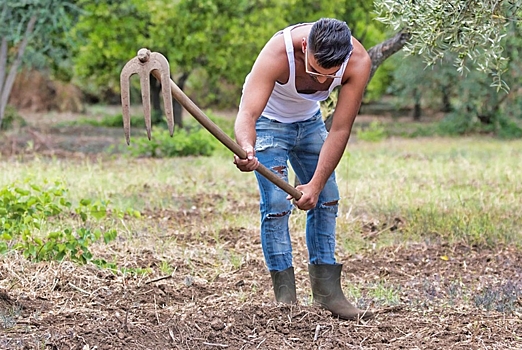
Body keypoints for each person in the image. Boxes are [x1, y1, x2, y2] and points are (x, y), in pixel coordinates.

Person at [233, 18, 373, 321]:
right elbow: (248, 112)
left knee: (327, 198)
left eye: (330, 75)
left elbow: (339, 130)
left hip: (310, 124)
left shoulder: (358, 61)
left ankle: (327, 294)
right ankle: (286, 301)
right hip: (267, 122)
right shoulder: (278, 52)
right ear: (305, 47)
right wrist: (246, 147)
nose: (323, 83)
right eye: (315, 72)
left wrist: (316, 184)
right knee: (276, 204)